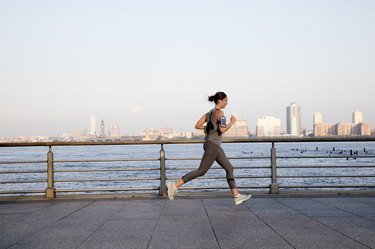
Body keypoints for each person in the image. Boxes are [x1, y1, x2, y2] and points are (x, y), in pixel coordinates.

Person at [167, 91, 252, 205]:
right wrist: (232, 122)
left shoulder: (209, 113)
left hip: (212, 144)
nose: (227, 103)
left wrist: (207, 128)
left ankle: (236, 196)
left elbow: (197, 125)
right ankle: (174, 185)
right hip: (213, 145)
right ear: (220, 101)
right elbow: (222, 130)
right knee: (201, 171)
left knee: (229, 168)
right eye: (226, 100)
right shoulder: (220, 113)